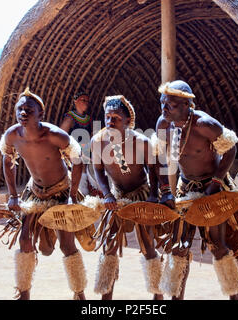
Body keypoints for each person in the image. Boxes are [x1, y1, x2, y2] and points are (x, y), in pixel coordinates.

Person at [154, 80, 238, 300]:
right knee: (179, 247)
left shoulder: (205, 124)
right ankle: (176, 297)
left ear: (187, 104)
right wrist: (165, 190)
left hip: (212, 187)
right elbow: (159, 156)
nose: (164, 108)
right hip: (185, 187)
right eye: (162, 103)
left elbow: (230, 150)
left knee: (218, 246)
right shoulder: (163, 124)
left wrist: (216, 182)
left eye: (170, 104)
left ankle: (234, 296)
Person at [0, 87, 88, 300]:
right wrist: (12, 195)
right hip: (35, 192)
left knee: (67, 245)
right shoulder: (12, 135)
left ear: (41, 114)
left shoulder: (54, 135)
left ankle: (79, 293)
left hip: (60, 191)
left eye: (29, 110)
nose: (23, 113)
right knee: (25, 240)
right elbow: (7, 159)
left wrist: (72, 195)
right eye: (20, 109)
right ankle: (24, 292)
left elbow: (78, 158)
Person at [91, 95, 174, 300]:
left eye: (116, 118)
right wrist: (108, 193)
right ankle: (106, 296)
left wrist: (154, 194)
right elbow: (98, 170)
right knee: (109, 245)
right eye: (107, 117)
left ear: (128, 121)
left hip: (141, 193)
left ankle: (157, 294)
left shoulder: (141, 142)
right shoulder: (97, 142)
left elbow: (153, 169)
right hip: (117, 196)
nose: (110, 121)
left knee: (147, 244)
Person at [60, 92, 101, 196]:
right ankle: (82, 194)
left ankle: (93, 193)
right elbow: (61, 134)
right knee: (80, 166)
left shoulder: (89, 119)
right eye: (83, 100)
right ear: (75, 102)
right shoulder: (70, 117)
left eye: (87, 101)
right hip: (73, 151)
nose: (86, 103)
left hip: (87, 150)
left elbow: (93, 135)